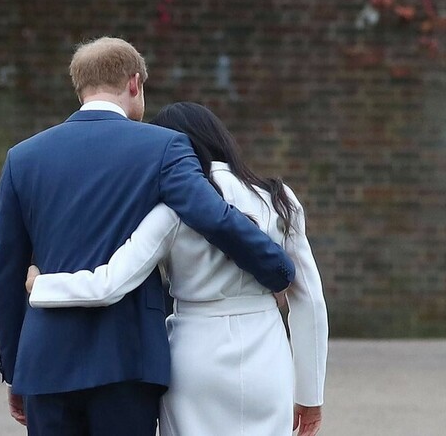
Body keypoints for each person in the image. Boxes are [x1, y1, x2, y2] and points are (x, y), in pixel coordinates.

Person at [0, 38, 295, 436]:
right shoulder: (164, 147)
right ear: (135, 83)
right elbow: (214, 217)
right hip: (128, 359)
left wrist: (16, 369)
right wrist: (276, 267)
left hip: (45, 362)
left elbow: (6, 273)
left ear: (79, 86)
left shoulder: (23, 157)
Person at [26, 102, 328, 435]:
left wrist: (41, 285)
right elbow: (309, 301)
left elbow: (110, 283)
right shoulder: (279, 199)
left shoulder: (170, 210)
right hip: (266, 352)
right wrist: (310, 395)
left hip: (194, 354)